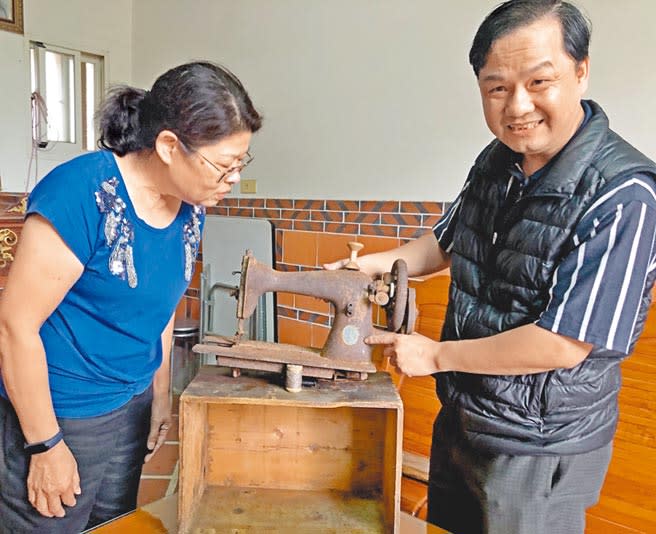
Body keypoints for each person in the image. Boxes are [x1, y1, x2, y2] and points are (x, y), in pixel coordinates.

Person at [326, 1, 656, 533]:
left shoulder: (625, 195)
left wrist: (437, 355)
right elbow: (449, 242)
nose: (518, 105)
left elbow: (562, 343)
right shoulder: (497, 160)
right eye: (497, 88)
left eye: (538, 82)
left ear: (580, 71)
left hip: (537, 443)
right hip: (465, 415)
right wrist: (375, 264)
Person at [0, 61, 261, 533]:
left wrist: (159, 396)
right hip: (63, 409)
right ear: (167, 146)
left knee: (113, 523)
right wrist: (44, 444)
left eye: (241, 164)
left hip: (131, 404)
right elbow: (14, 326)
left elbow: (160, 306)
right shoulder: (82, 192)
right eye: (224, 166)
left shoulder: (191, 208)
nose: (234, 180)